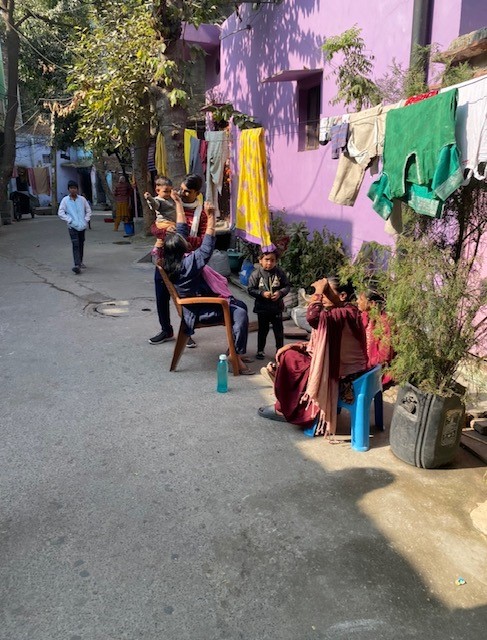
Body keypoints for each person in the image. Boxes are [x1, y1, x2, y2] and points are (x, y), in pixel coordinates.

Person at [258, 276, 368, 439]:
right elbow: (321, 344)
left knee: (290, 360)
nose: (322, 297)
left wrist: (317, 292)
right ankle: (284, 388)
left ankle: (283, 408)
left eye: (325, 293)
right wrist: (300, 346)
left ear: (343, 296)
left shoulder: (344, 314)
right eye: (323, 293)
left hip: (342, 374)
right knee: (290, 351)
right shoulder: (346, 311)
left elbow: (312, 317)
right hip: (342, 366)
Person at [162, 190, 254, 375]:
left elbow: (181, 231)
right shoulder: (188, 264)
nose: (186, 240)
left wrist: (178, 203)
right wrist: (211, 217)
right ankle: (235, 357)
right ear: (181, 248)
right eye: (184, 241)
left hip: (198, 305)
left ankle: (235, 351)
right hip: (201, 310)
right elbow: (207, 247)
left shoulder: (173, 261)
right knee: (240, 313)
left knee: (241, 304)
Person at [148, 173, 208, 347]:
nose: (182, 194)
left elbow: (203, 240)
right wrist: (165, 233)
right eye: (181, 189)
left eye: (187, 191)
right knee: (161, 296)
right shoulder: (170, 203)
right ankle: (166, 330)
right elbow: (155, 227)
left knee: (186, 298)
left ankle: (187, 332)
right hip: (165, 258)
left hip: (187, 263)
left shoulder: (201, 213)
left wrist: (182, 239)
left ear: (197, 193)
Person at [248, 249, 290, 360]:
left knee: (278, 330)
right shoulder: (256, 274)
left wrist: (280, 293)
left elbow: (287, 286)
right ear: (260, 260)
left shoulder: (280, 273)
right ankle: (260, 350)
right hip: (262, 309)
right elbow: (250, 289)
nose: (269, 263)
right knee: (263, 330)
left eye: (272, 260)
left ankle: (280, 351)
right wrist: (262, 293)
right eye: (266, 260)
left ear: (276, 261)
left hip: (276, 308)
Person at [357, 290, 394, 387]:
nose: (357, 301)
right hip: (360, 365)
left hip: (373, 371)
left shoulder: (385, 323)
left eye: (361, 299)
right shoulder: (363, 316)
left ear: (372, 303)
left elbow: (384, 355)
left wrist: (366, 365)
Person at [57, 180, 92, 274]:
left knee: (81, 243)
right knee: (75, 244)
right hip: (72, 226)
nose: (73, 190)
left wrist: (86, 220)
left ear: (77, 189)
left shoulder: (82, 199)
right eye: (71, 188)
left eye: (75, 188)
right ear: (68, 189)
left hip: (82, 226)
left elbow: (88, 210)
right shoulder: (65, 200)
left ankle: (80, 261)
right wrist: (69, 220)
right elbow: (61, 212)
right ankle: (77, 265)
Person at [144, 176, 177, 259]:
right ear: (157, 191)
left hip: (171, 222)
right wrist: (149, 199)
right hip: (163, 223)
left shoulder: (171, 198)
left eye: (170, 191)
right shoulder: (158, 200)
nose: (168, 194)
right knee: (164, 238)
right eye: (166, 191)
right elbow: (154, 205)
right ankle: (156, 250)